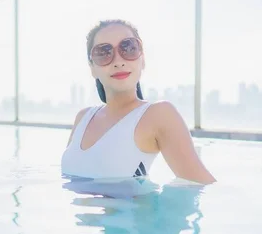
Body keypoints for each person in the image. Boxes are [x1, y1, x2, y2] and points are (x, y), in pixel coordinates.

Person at [61, 19, 216, 185]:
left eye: (129, 48)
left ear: (142, 60)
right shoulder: (83, 118)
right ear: (92, 68)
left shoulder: (158, 115)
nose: (118, 61)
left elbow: (202, 186)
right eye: (103, 53)